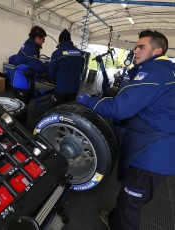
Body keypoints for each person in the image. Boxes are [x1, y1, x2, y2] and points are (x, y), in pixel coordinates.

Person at [76, 29, 175, 230]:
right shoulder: (167, 71)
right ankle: (115, 221)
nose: (135, 51)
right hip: (158, 148)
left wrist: (90, 101)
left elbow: (120, 108)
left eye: (141, 47)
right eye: (135, 46)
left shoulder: (155, 71)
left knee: (131, 203)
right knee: (132, 195)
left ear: (156, 51)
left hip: (151, 154)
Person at [12, 25, 48, 105]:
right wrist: (48, 67)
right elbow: (38, 67)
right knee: (21, 107)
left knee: (24, 105)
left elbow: (33, 62)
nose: (44, 41)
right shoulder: (31, 48)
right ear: (37, 38)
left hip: (25, 81)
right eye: (43, 38)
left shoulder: (31, 44)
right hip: (21, 83)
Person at [48, 29, 85, 106]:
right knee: (68, 110)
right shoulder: (79, 53)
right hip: (74, 89)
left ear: (60, 41)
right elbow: (81, 70)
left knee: (57, 110)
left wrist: (55, 81)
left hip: (61, 89)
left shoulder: (57, 53)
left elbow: (51, 71)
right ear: (69, 39)